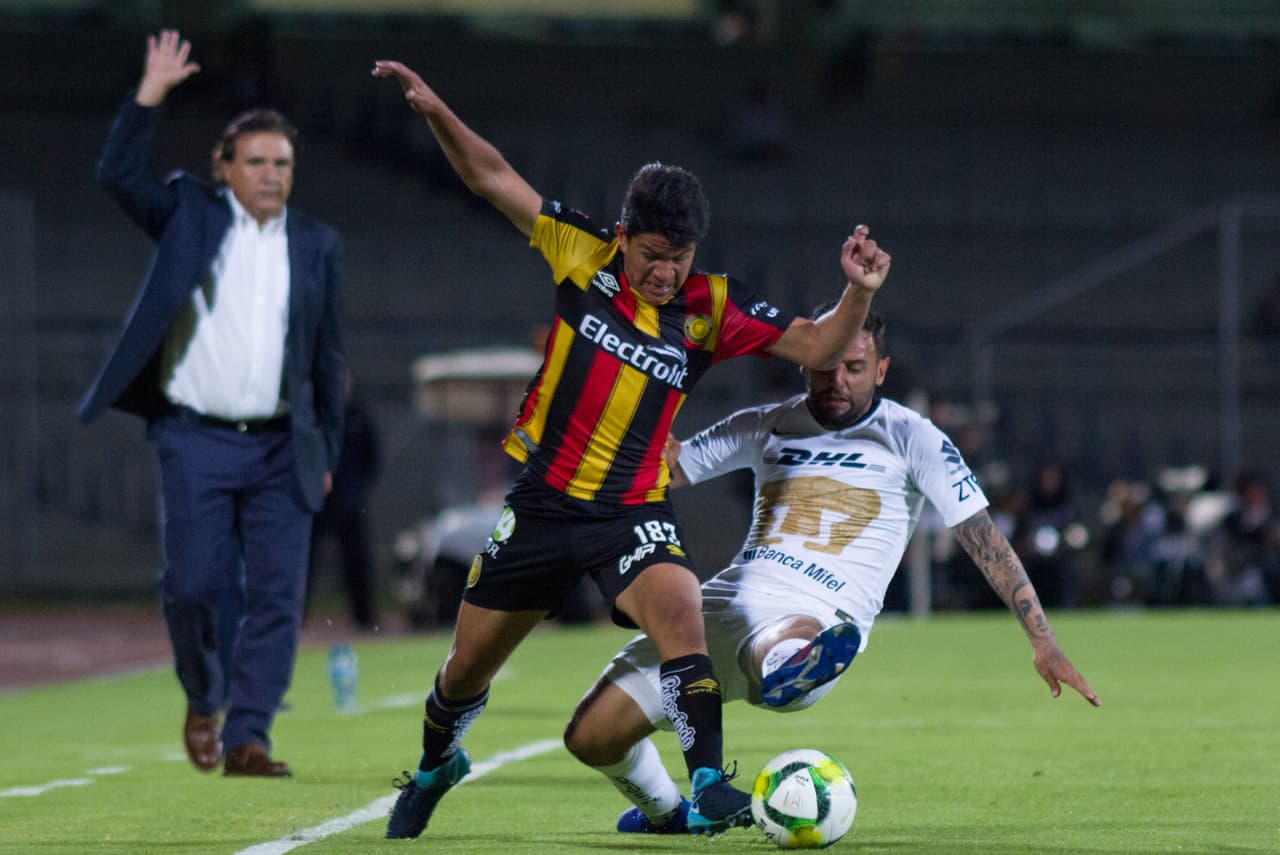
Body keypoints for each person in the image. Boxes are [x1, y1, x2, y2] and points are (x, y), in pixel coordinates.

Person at [370, 59, 891, 839]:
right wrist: (438, 111)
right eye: (652, 253)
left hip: (633, 507)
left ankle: (709, 778)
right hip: (544, 502)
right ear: (623, 234)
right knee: (465, 668)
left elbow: (819, 345)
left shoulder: (710, 305)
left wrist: (859, 292)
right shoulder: (580, 252)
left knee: (679, 602)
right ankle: (440, 759)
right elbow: (491, 176)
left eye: (678, 257)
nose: (664, 271)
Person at [562, 309, 1100, 835]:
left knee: (779, 642)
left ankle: (791, 664)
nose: (837, 380)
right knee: (589, 737)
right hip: (713, 609)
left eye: (855, 367)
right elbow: (663, 470)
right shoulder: (766, 423)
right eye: (825, 365)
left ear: (881, 369)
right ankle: (671, 815)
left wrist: (1042, 638)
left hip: (818, 615)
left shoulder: (914, 437)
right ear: (805, 362)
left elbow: (984, 539)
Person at [79, 30, 345, 777]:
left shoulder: (319, 245)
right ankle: (203, 693)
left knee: (274, 595)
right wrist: (149, 94)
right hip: (193, 437)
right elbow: (115, 171)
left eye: (282, 163)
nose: (270, 174)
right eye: (255, 161)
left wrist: (322, 449)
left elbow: (329, 358)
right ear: (223, 169)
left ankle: (249, 734)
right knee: (192, 585)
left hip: (279, 448)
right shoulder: (188, 215)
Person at [307, 370, 381, 631]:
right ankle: (297, 618)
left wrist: (358, 489)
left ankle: (365, 618)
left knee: (356, 561)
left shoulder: (357, 416)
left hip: (349, 502)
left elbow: (372, 457)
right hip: (317, 501)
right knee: (306, 561)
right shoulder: (313, 416)